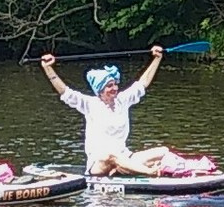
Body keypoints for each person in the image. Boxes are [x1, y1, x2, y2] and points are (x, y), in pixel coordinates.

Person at [38, 45, 179, 176]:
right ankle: (150, 172)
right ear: (100, 90)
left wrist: (157, 58)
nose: (115, 88)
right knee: (112, 156)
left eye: (115, 84)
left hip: (125, 157)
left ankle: (130, 169)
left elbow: (143, 83)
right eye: (109, 86)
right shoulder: (90, 104)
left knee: (163, 151)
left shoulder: (122, 100)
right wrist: (48, 68)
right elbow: (65, 92)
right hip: (99, 163)